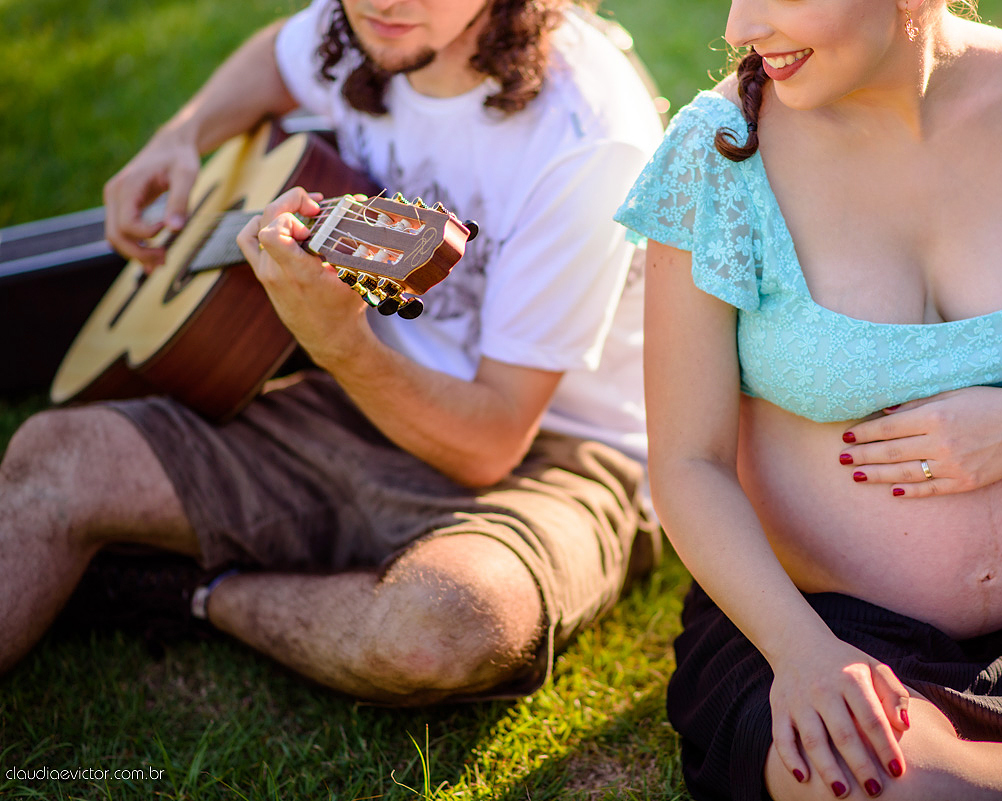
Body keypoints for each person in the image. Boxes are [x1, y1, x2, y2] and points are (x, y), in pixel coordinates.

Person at [0, 0, 664, 705]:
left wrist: (337, 341)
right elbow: (274, 57)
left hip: (555, 458)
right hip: (357, 401)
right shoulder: (365, 29)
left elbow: (491, 443)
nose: (385, 1)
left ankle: (201, 591)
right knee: (57, 457)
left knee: (436, 627)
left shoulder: (588, 137)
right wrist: (181, 137)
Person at [616, 0, 1002, 797]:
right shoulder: (717, 152)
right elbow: (688, 463)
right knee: (897, 781)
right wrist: (802, 653)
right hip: (817, 621)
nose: (742, 25)